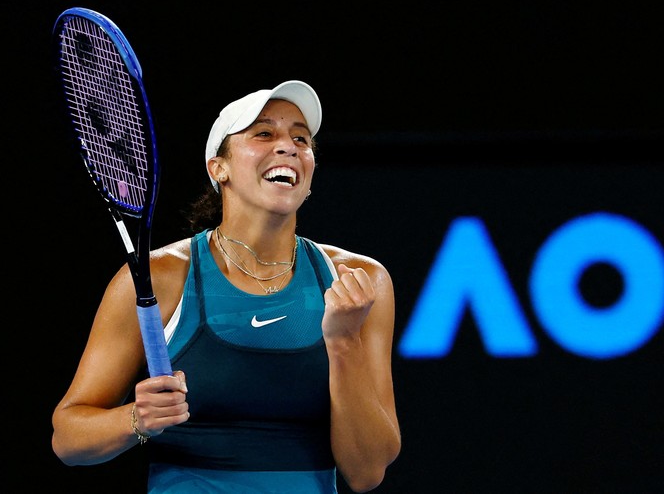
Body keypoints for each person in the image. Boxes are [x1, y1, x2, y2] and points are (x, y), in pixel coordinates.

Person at [51, 80, 401, 493]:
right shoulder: (160, 277)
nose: (288, 146)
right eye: (264, 133)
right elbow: (68, 437)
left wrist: (344, 343)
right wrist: (135, 419)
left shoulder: (357, 280)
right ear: (219, 168)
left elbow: (367, 472)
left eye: (301, 138)